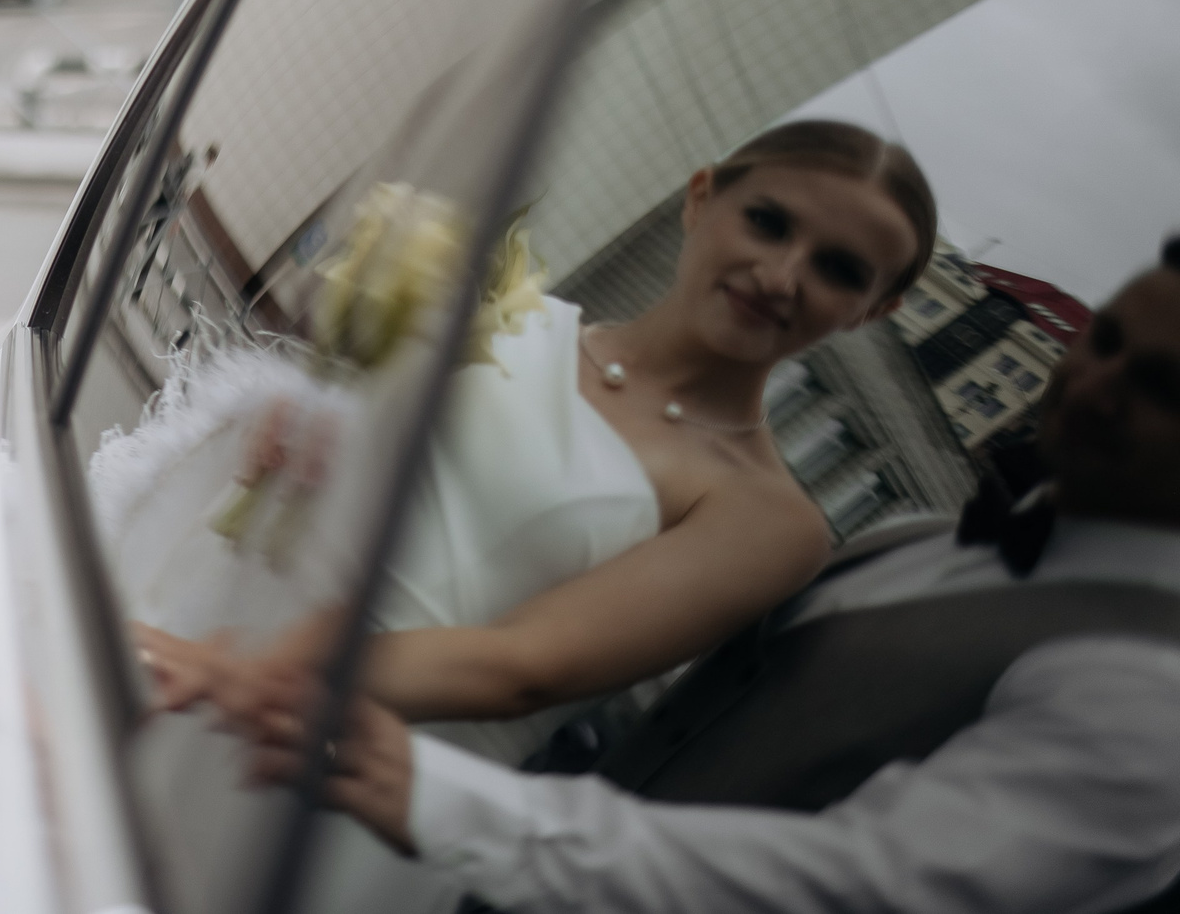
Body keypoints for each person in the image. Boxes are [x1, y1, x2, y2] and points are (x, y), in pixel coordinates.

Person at [139, 120, 937, 912]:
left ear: (877, 306)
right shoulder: (502, 313)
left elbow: (519, 666)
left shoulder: (767, 519)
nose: (781, 273)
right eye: (768, 221)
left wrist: (246, 679)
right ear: (702, 198)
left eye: (837, 268)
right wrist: (299, 418)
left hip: (322, 769)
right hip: (188, 632)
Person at [322, 235, 1180, 914]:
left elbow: (860, 885)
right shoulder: (917, 535)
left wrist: (450, 802)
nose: (1096, 386)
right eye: (1105, 339)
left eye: (1162, 385)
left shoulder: (1150, 693)